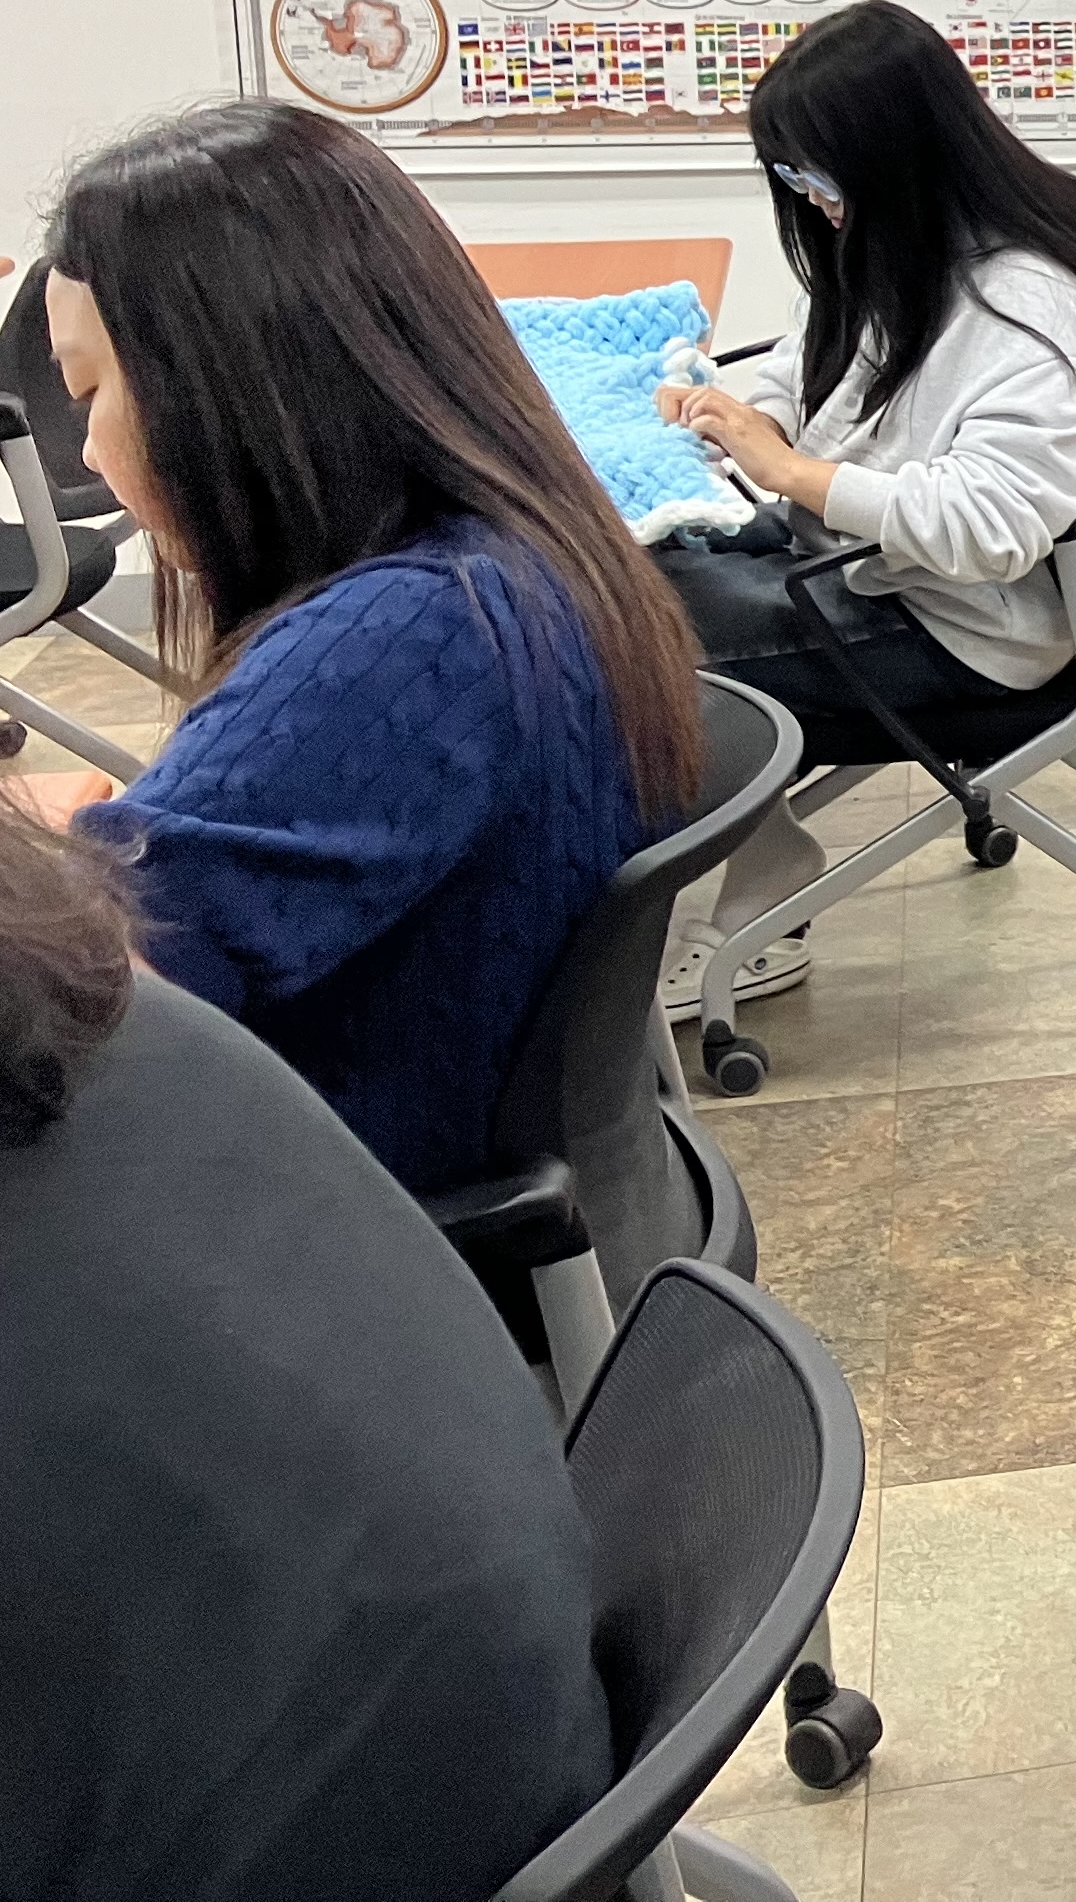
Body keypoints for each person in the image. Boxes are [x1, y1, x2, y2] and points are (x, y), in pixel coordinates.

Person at [41, 105, 705, 1193]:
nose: (89, 449)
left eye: (91, 392)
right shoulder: (518, 564)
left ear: (219, 380)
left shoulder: (400, 639)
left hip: (345, 1215)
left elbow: (84, 1007)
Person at [0, 811, 614, 1902]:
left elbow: (195, 890)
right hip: (519, 1720)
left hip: (356, 1822)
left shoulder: (369, 680)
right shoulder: (105, 994)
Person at [650, 0, 1076, 1003]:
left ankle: (762, 890)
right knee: (624, 582)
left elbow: (994, 527)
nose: (809, 198)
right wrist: (738, 414)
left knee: (630, 659)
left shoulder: (1025, 299)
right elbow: (809, 360)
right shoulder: (904, 238)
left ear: (895, 155)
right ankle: (761, 852)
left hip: (960, 624)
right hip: (865, 564)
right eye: (792, 177)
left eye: (817, 175)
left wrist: (788, 472)